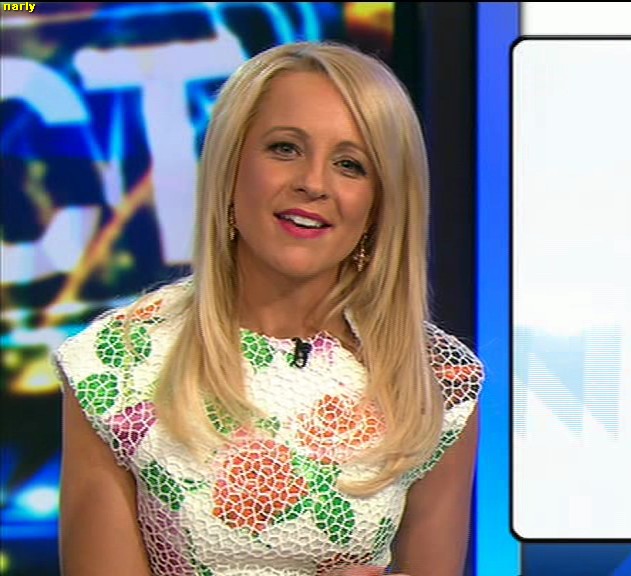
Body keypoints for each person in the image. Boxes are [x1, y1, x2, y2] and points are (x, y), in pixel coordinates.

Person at [53, 41, 483, 576]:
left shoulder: (436, 379)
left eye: (350, 165)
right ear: (231, 167)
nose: (314, 183)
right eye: (284, 148)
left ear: (382, 204)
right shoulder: (114, 362)